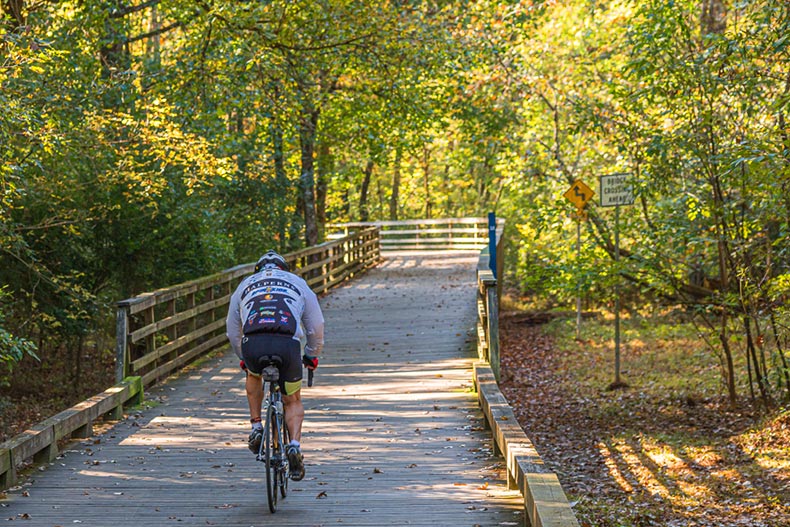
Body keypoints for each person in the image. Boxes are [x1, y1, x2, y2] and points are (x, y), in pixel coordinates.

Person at [226, 250, 324, 481]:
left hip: (254, 344)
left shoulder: (245, 285)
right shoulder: (297, 283)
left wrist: (243, 357)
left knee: (253, 374)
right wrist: (311, 355)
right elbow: (316, 325)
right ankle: (294, 446)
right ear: (284, 269)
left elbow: (232, 330)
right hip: (286, 345)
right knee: (293, 400)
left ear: (257, 270)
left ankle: (256, 427)